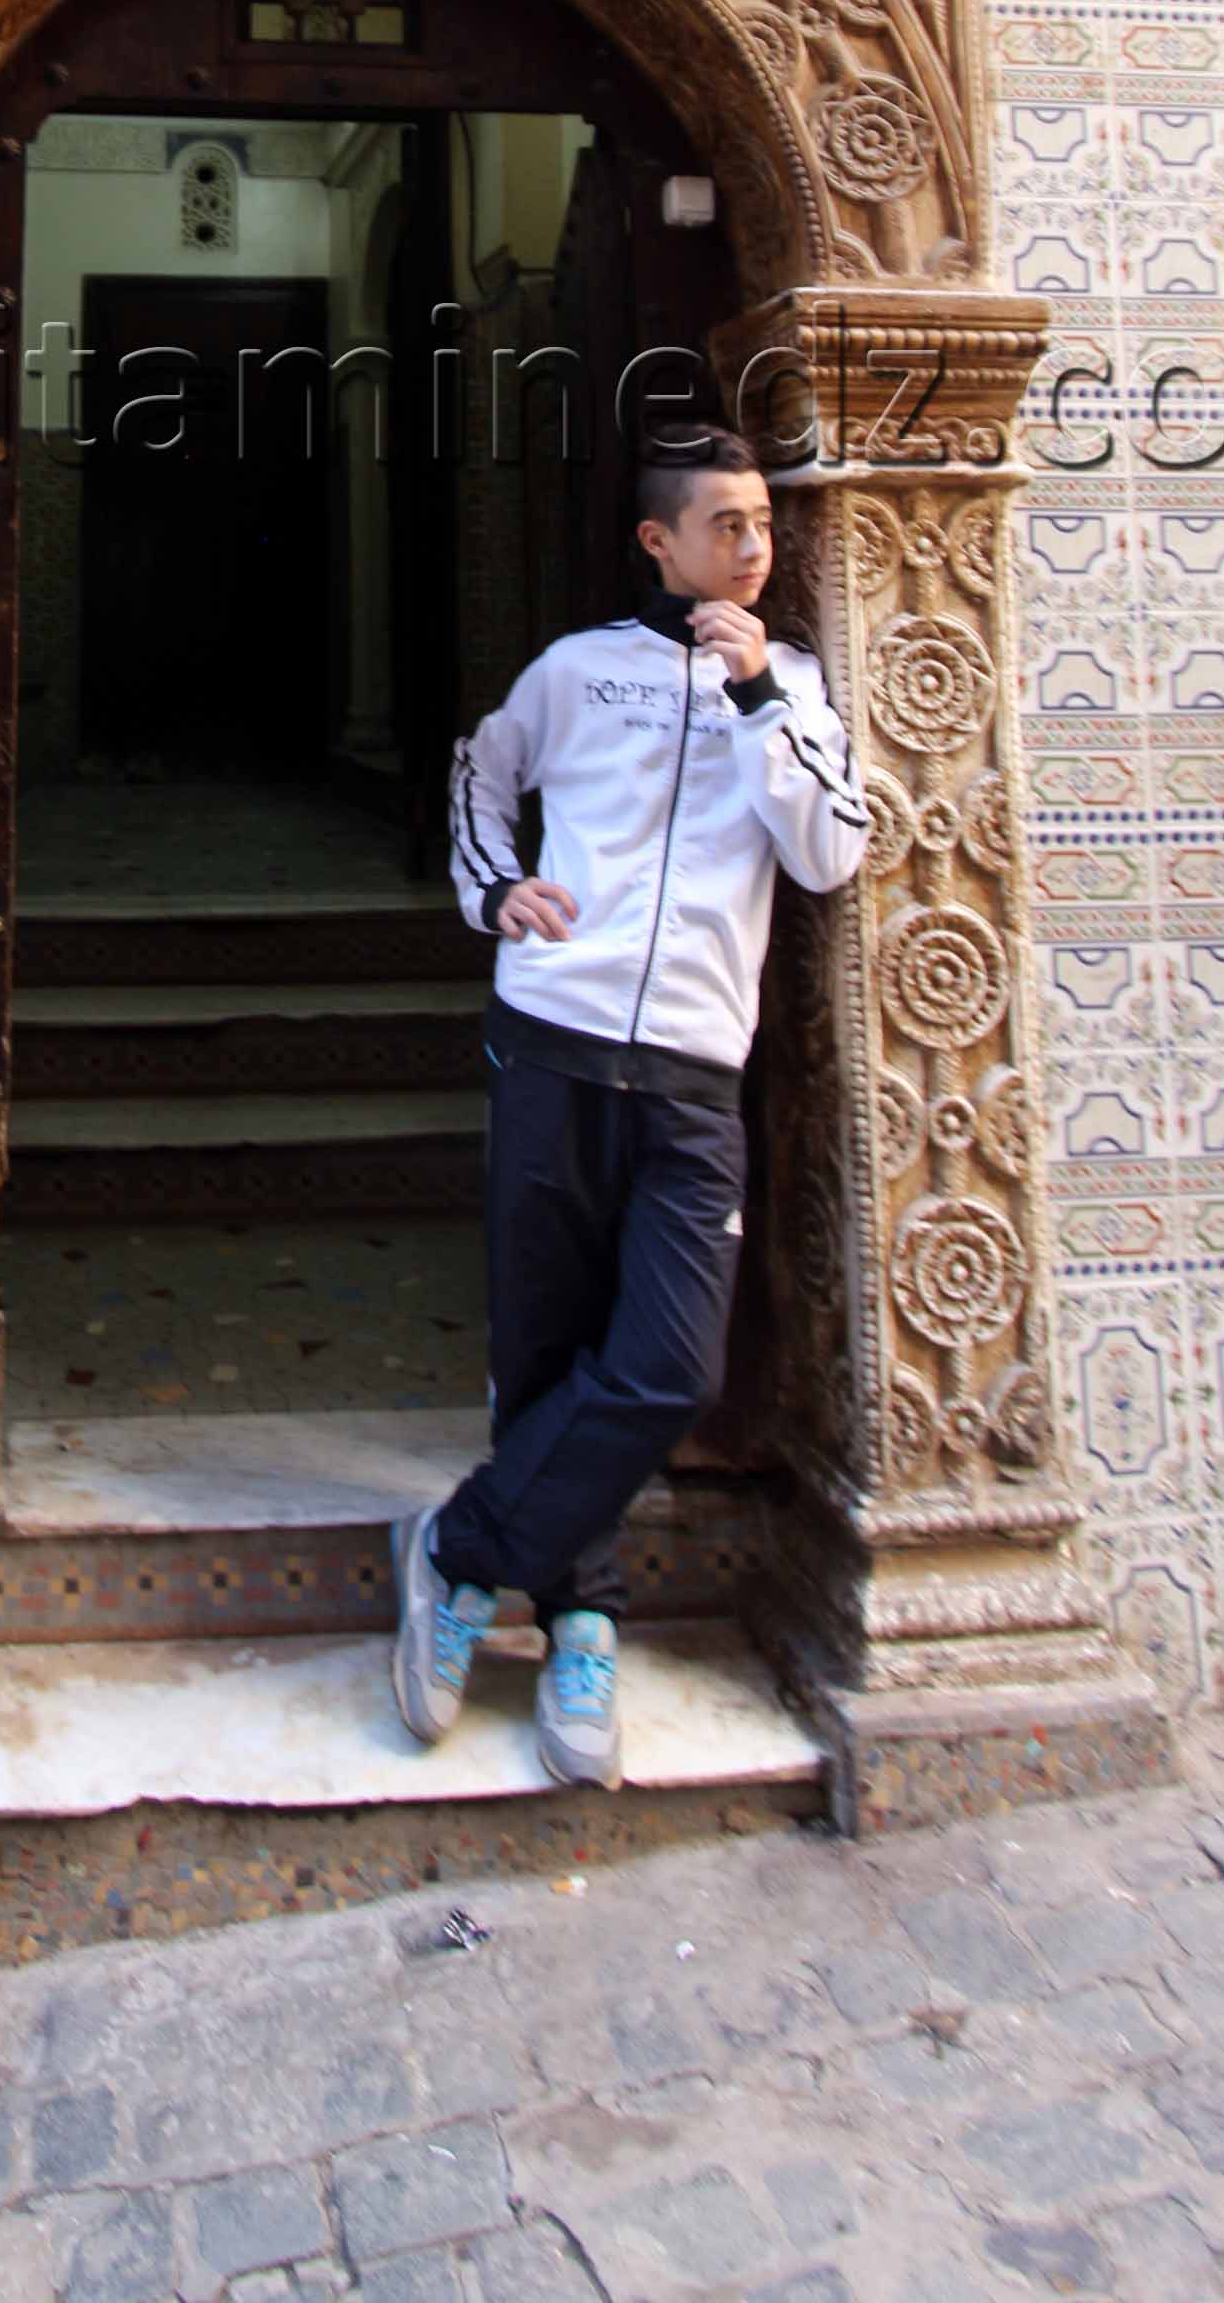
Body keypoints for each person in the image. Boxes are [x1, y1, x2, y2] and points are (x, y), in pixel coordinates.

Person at [395, 427, 868, 1784]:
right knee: (547, 1349)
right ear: (659, 542)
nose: (753, 545)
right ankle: (583, 1616)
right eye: (724, 523)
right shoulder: (578, 671)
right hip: (554, 1035)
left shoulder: (797, 691)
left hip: (695, 1073)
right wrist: (496, 893)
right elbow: (482, 773)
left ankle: (460, 1552)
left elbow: (831, 851)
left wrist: (764, 695)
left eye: (763, 522)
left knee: (668, 1364)